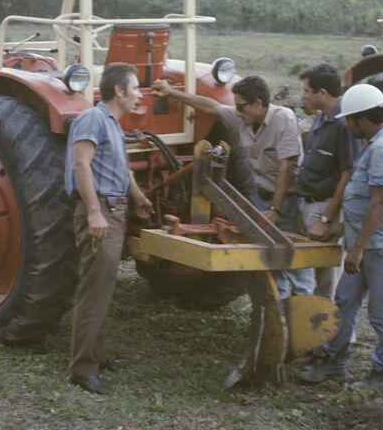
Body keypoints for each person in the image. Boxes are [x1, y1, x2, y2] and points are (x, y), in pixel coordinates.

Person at [152, 74, 313, 298]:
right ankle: (279, 309)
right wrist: (171, 93)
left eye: (240, 106)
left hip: (285, 200)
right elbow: (213, 107)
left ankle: (307, 309)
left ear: (258, 104)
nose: (236, 111)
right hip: (260, 197)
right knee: (267, 257)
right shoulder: (243, 117)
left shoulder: (283, 119)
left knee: (292, 257)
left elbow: (287, 168)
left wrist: (276, 209)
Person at [300, 83, 383, 387]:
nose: (347, 126)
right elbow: (364, 202)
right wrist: (339, 230)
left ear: (362, 120)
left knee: (382, 310)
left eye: (349, 120)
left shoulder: (382, 149)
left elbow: (380, 202)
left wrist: (357, 249)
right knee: (345, 299)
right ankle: (335, 360)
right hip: (365, 242)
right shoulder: (372, 146)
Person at [65, 62, 152, 395]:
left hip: (115, 209)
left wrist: (139, 196)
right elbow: (80, 164)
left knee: (101, 289)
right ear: (119, 90)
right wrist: (94, 212)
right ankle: (82, 369)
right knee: (93, 291)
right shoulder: (92, 119)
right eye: (135, 88)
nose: (139, 95)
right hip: (103, 211)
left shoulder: (113, 124)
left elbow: (122, 169)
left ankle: (95, 357)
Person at [298, 63, 352, 302]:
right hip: (312, 204)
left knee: (328, 276)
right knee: (312, 273)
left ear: (322, 93)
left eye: (306, 91)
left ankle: (331, 334)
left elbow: (347, 175)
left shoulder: (343, 124)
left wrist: (325, 220)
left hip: (328, 206)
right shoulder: (321, 118)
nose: (304, 96)